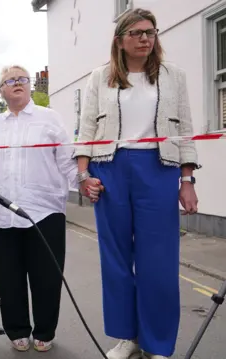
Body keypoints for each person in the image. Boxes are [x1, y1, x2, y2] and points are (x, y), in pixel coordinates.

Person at [75, 8, 199, 359]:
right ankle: (126, 337)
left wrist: (186, 180)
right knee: (115, 258)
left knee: (158, 261)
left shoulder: (173, 76)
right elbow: (86, 130)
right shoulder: (100, 77)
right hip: (109, 168)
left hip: (159, 169)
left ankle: (157, 343)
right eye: (137, 33)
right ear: (120, 40)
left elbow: (185, 130)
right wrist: (84, 176)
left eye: (151, 32)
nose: (146, 38)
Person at [0, 64, 99, 353]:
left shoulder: (49, 119)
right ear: (1, 90)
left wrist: (83, 182)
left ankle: (45, 331)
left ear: (30, 86)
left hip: (44, 211)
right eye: (9, 81)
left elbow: (65, 160)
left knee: (46, 278)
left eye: (22, 79)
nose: (17, 84)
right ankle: (17, 330)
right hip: (2, 214)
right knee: (8, 279)